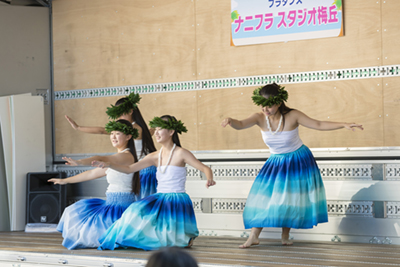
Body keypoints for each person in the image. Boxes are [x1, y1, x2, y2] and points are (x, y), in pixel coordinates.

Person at [221, 83, 363, 248]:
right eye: (262, 105)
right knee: (263, 198)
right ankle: (254, 236)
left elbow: (318, 124)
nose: (265, 109)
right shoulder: (259, 117)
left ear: (279, 102)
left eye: (270, 105)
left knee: (289, 198)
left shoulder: (293, 115)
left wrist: (343, 124)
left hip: (297, 160)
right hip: (275, 162)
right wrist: (231, 121)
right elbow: (241, 124)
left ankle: (285, 235)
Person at [92, 115, 216, 251]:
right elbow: (129, 169)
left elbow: (205, 168)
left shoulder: (181, 153)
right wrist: (109, 164)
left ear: (171, 132)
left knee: (172, 241)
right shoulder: (153, 156)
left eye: (160, 129)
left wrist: (209, 178)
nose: (155, 133)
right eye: (155, 129)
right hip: (159, 197)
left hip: (176, 199)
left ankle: (184, 237)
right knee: (133, 210)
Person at [48, 119, 140, 250]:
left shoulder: (126, 156)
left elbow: (102, 158)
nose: (113, 137)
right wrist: (64, 181)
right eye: (111, 133)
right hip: (110, 203)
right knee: (72, 211)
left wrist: (79, 162)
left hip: (121, 208)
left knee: (94, 234)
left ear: (129, 136)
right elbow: (91, 174)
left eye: (117, 133)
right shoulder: (115, 159)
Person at [65, 92, 157, 200]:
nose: (118, 118)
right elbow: (149, 133)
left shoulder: (134, 128)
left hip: (142, 169)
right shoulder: (140, 127)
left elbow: (102, 130)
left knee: (142, 205)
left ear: (131, 111)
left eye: (121, 114)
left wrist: (78, 128)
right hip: (141, 167)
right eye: (117, 115)